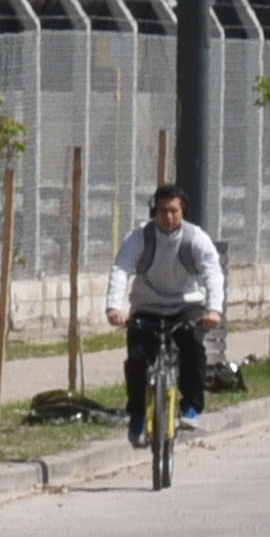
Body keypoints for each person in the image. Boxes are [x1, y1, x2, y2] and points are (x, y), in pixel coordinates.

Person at [103, 183, 225, 444]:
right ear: (153, 212)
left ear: (183, 212)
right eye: (161, 211)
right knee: (137, 357)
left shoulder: (195, 239)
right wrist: (114, 307)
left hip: (185, 306)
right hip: (147, 308)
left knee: (193, 346)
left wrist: (213, 309)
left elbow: (212, 273)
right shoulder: (139, 238)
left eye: (173, 211)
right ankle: (136, 414)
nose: (168, 218)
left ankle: (191, 407)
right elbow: (121, 269)